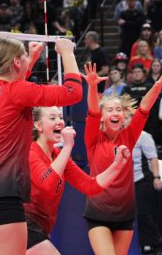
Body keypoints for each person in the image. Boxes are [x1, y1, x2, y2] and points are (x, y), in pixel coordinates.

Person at [0, 38, 82, 255]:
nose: (27, 58)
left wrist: (31, 58)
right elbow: (73, 93)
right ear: (16, 61)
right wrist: (67, 54)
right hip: (1, 198)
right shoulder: (16, 91)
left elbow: (8, 92)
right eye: (24, 55)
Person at [82, 62, 162, 255]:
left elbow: (144, 109)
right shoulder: (93, 138)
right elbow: (92, 111)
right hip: (98, 213)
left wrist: (158, 85)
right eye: (110, 110)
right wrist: (91, 86)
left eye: (118, 110)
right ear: (102, 117)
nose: (115, 113)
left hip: (125, 213)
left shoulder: (129, 136)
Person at [25, 106, 129, 254]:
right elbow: (47, 184)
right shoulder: (31, 151)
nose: (60, 122)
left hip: (42, 228)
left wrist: (117, 165)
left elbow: (90, 186)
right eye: (52, 118)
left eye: (60, 117)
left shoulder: (58, 154)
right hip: (23, 224)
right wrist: (68, 146)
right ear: (38, 125)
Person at [122, 97, 162, 254]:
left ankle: (157, 245)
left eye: (127, 118)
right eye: (123, 117)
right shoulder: (116, 135)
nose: (124, 121)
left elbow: (152, 157)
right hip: (121, 184)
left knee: (143, 214)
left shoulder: (143, 136)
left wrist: (157, 177)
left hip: (140, 181)